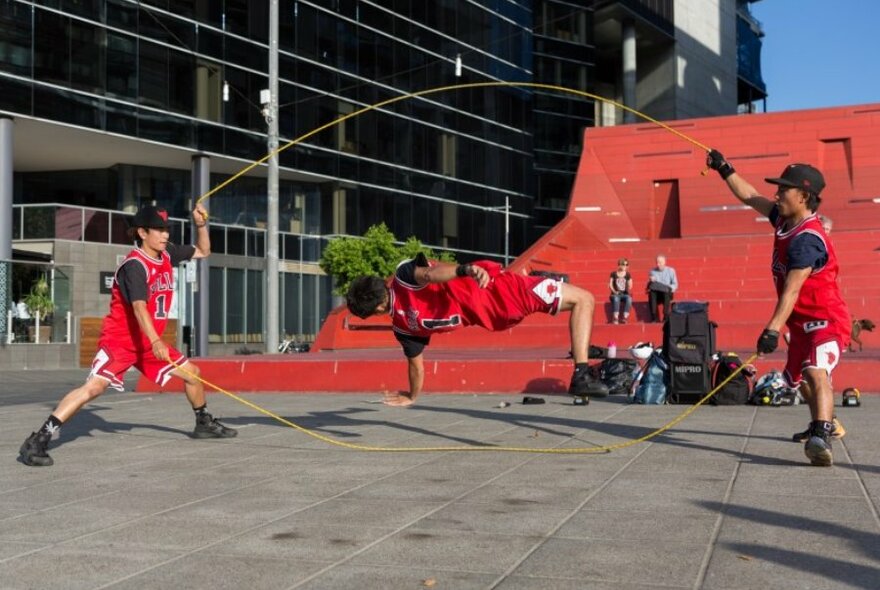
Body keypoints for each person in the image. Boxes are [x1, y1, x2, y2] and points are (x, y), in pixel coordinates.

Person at [18, 205, 237, 467]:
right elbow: (138, 307)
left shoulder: (167, 254)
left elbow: (203, 251)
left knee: (192, 374)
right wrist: (157, 340)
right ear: (143, 232)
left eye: (166, 229)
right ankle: (38, 439)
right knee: (95, 387)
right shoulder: (135, 265)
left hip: (147, 343)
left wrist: (201, 225)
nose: (165, 235)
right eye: (158, 230)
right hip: (120, 342)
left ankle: (203, 423)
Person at [706, 150, 850, 466]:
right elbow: (750, 196)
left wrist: (771, 330)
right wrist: (724, 168)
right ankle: (829, 423)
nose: (777, 193)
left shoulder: (807, 239)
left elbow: (792, 289)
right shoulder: (783, 219)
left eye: (784, 189)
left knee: (815, 371)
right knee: (799, 380)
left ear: (805, 196)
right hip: (800, 323)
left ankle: (821, 435)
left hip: (826, 318)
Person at [346, 254, 609, 406]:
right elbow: (428, 275)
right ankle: (581, 373)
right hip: (499, 290)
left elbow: (416, 367)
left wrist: (412, 396)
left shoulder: (403, 329)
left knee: (573, 300)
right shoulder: (403, 278)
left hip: (496, 318)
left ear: (376, 311)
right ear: (381, 290)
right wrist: (465, 269)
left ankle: (582, 368)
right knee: (584, 299)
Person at [646, 254, 677, 323]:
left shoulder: (671, 270)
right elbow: (649, 285)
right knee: (652, 292)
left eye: (660, 262)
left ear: (664, 262)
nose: (658, 264)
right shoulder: (652, 271)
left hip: (667, 293)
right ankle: (653, 316)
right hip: (657, 294)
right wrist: (651, 281)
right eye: (657, 262)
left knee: (666, 291)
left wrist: (668, 287)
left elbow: (675, 284)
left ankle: (665, 316)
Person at [608, 258, 633, 324]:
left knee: (629, 299)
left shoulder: (627, 274)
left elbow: (630, 285)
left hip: (624, 294)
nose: (625, 266)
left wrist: (629, 285)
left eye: (627, 264)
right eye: (624, 264)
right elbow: (610, 284)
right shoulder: (613, 274)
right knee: (616, 298)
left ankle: (625, 317)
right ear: (619, 265)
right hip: (615, 294)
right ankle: (616, 317)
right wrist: (615, 291)